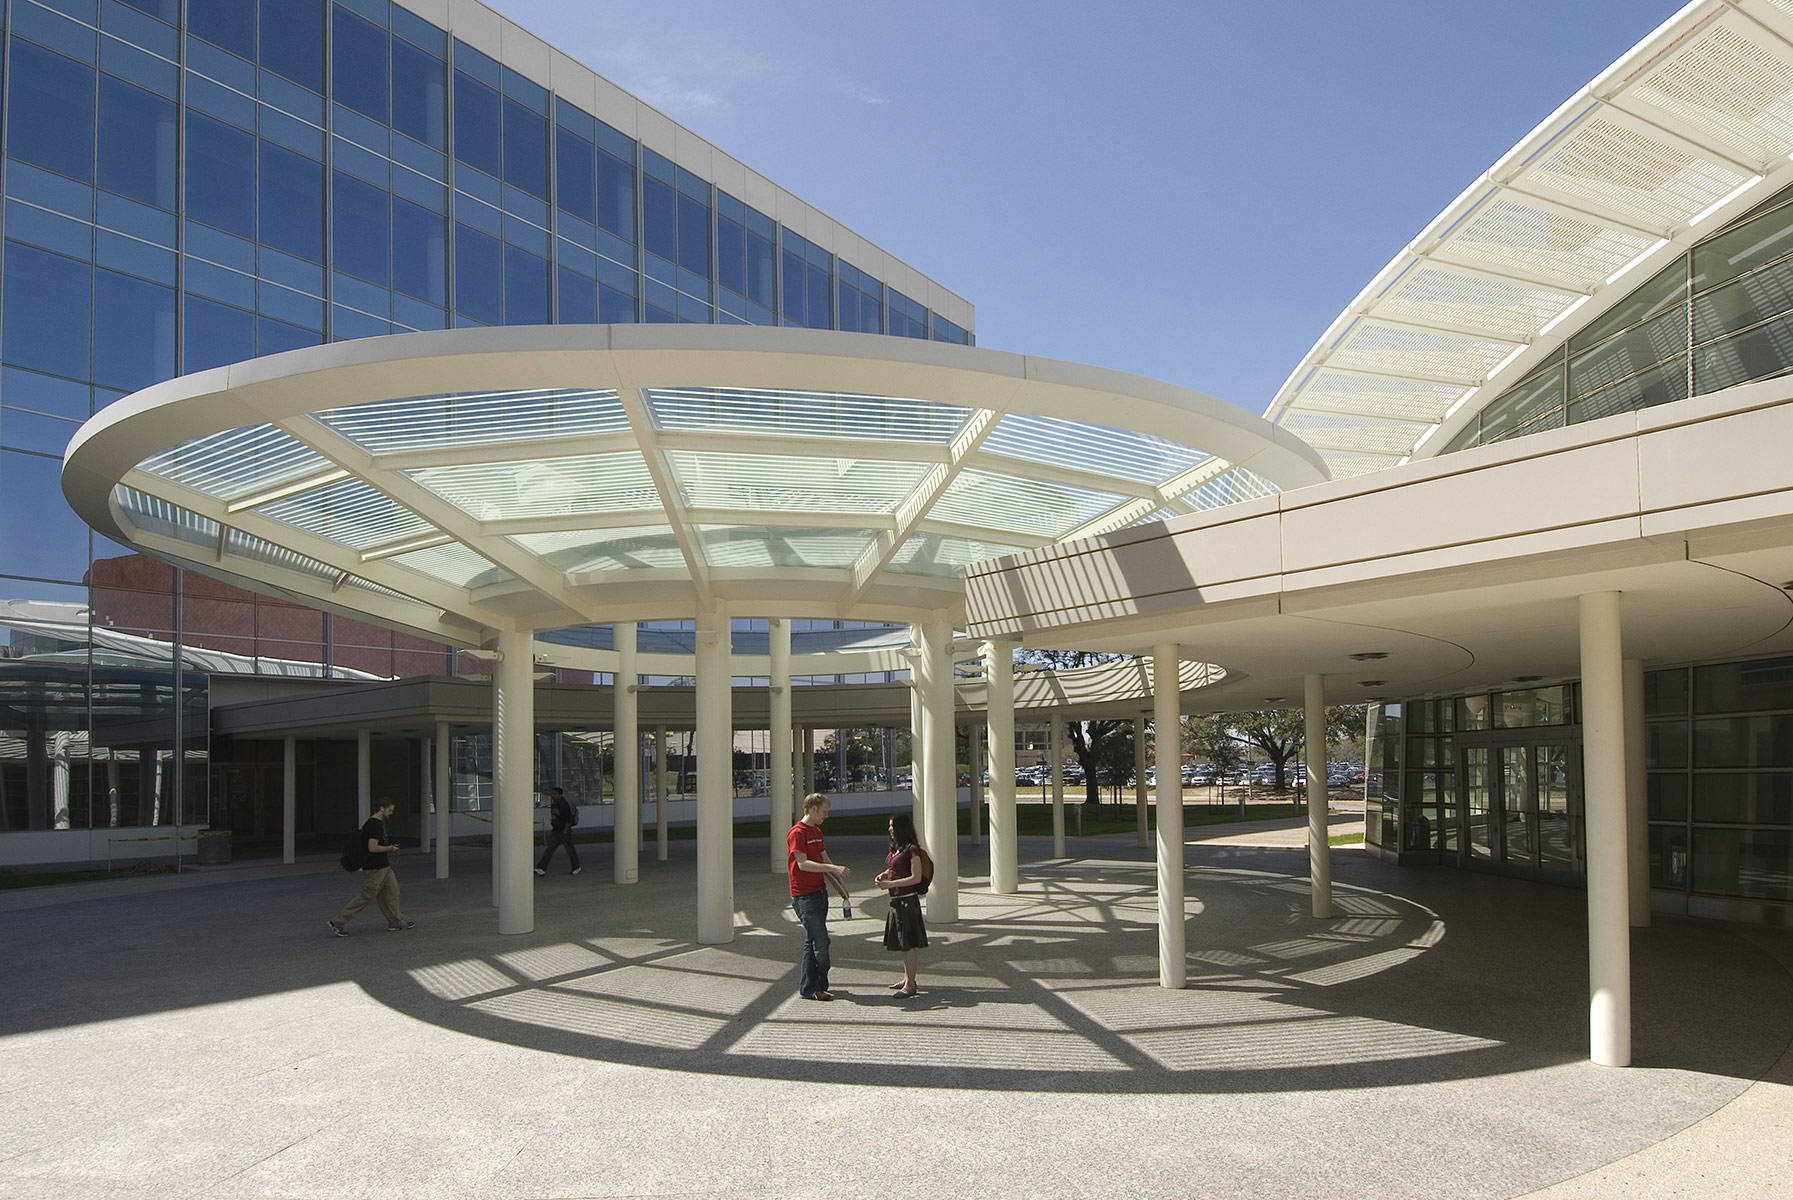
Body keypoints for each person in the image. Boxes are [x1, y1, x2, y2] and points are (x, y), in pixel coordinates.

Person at [788, 792, 850, 1001]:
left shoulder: (817, 832)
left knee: (812, 940)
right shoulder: (797, 833)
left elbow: (823, 859)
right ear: (813, 809)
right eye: (824, 811)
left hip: (819, 893)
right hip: (804, 897)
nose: (826, 815)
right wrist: (834, 868)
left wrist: (839, 885)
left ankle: (809, 987)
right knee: (821, 942)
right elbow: (802, 863)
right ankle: (820, 980)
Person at [328, 798, 414, 936]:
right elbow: (372, 847)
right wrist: (389, 848)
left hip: (383, 867)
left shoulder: (378, 823)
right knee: (366, 896)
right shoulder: (374, 825)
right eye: (390, 810)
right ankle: (338, 921)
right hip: (375, 868)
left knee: (392, 892)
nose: (391, 813)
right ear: (381, 808)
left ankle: (395, 921)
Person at [874, 811, 928, 998]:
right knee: (903, 943)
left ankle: (911, 983)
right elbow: (894, 869)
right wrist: (885, 875)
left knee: (908, 943)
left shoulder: (911, 850)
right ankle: (907, 978)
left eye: (892, 826)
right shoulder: (896, 849)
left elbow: (915, 876)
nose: (889, 829)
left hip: (907, 901)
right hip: (896, 901)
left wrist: (891, 883)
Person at [534, 786, 582, 876]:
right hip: (556, 830)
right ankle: (541, 868)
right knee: (549, 849)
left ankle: (576, 867)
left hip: (564, 831)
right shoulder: (554, 803)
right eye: (552, 794)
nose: (552, 796)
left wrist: (565, 830)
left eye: (555, 794)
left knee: (570, 850)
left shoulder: (564, 804)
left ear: (560, 795)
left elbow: (569, 819)